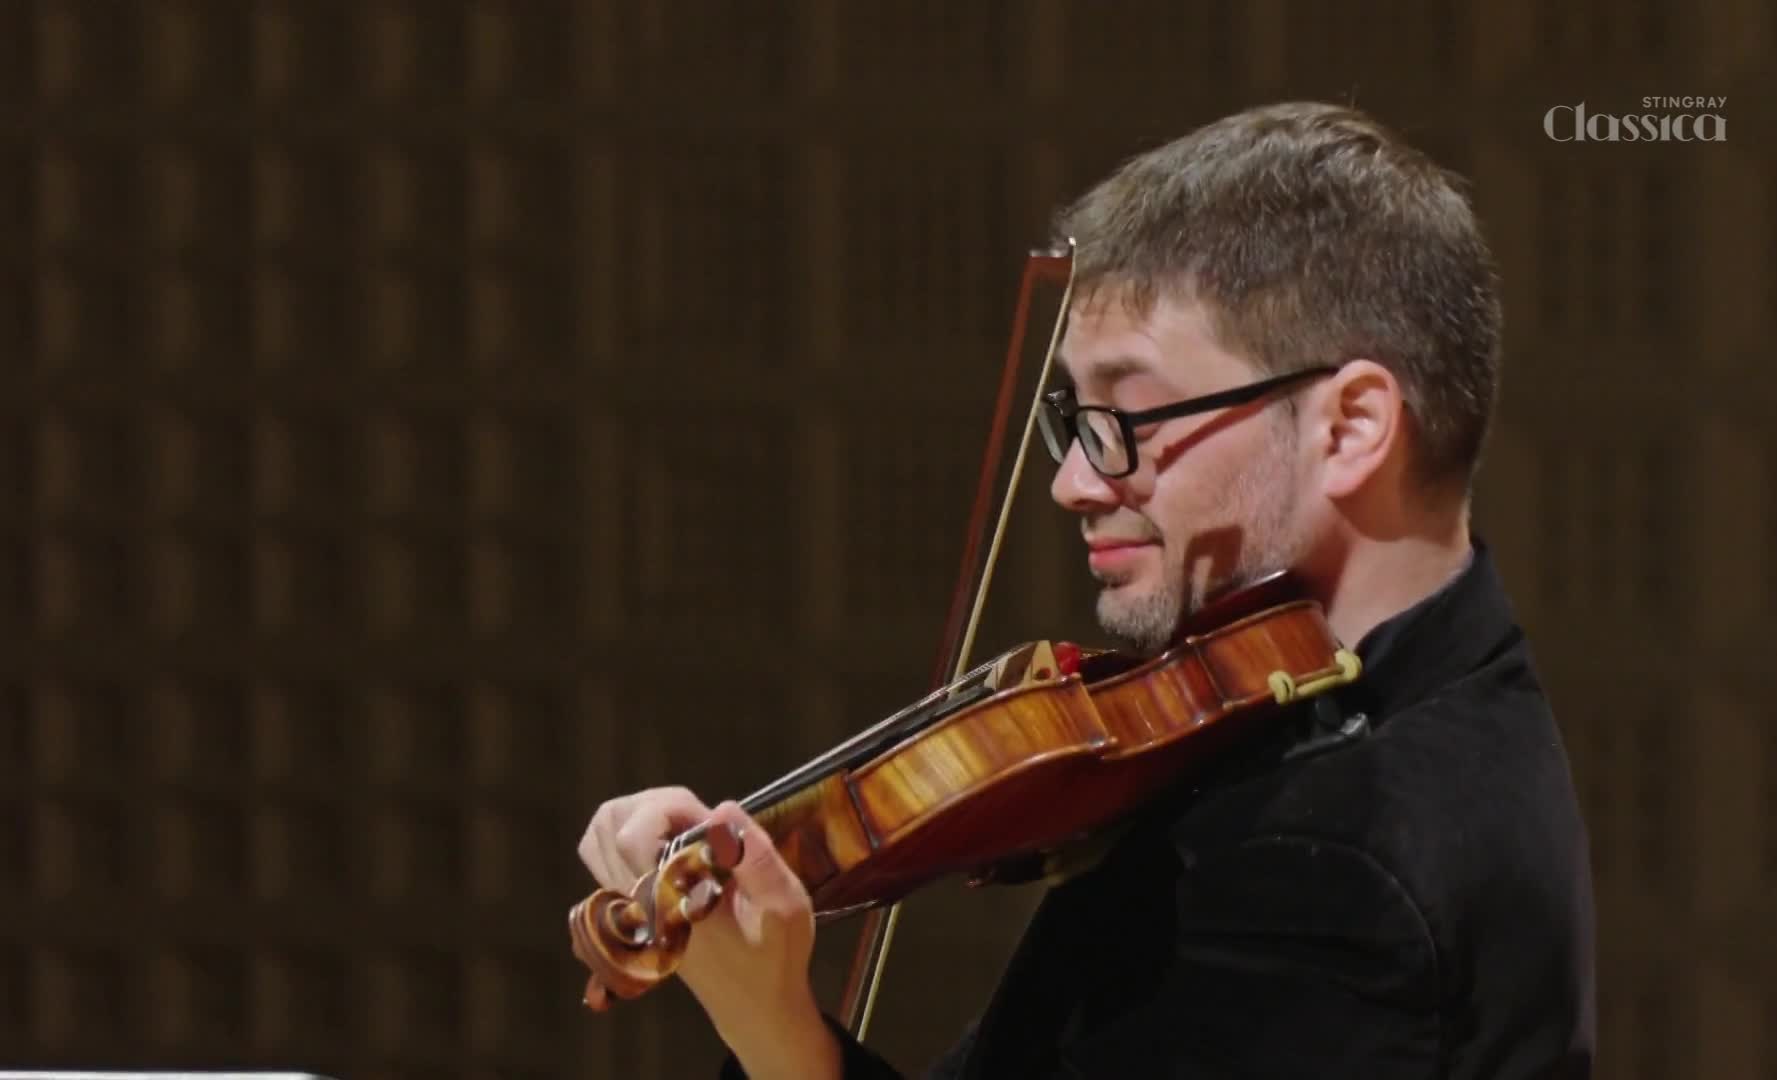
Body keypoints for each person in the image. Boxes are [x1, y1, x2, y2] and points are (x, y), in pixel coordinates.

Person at [576, 101, 1597, 1078]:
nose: (1072, 481)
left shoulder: (1328, 867)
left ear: (1350, 427)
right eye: (1074, 419)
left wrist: (775, 1030)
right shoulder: (1427, 703)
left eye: (1130, 418)